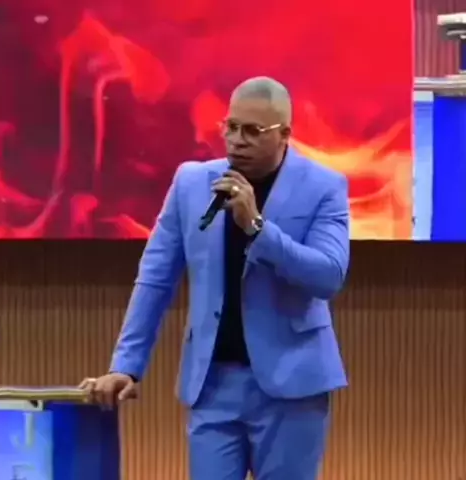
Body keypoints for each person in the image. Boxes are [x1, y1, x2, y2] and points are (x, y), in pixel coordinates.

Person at [80, 76, 350, 480]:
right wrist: (126, 366)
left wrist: (257, 228)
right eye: (232, 127)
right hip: (213, 383)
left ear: (284, 135)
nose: (237, 141)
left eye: (253, 131)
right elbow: (155, 278)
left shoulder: (324, 187)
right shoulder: (191, 183)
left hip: (292, 383)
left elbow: (327, 276)